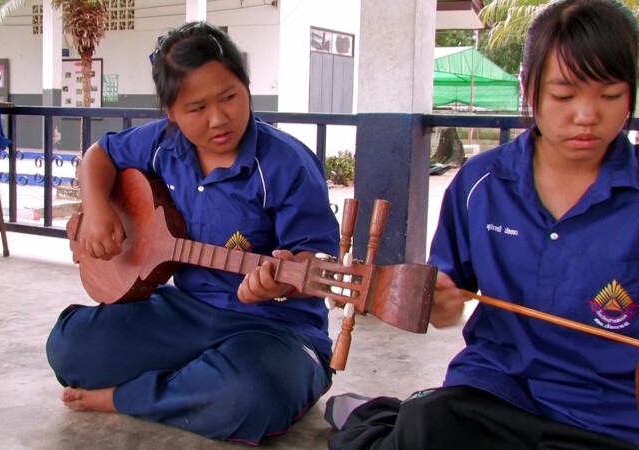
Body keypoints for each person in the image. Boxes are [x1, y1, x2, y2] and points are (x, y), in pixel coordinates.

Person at [325, 0, 639, 449]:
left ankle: (377, 415)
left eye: (609, 95)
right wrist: (440, 302)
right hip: (499, 389)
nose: (586, 115)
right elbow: (446, 285)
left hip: (607, 415)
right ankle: (384, 419)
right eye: (565, 95)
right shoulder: (481, 184)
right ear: (530, 90)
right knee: (427, 428)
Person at [45, 21, 339, 445]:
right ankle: (191, 386)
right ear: (171, 113)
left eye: (230, 97)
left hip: (276, 328)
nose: (219, 119)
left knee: (250, 393)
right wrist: (96, 209)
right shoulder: (165, 144)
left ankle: (128, 396)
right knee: (70, 347)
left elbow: (317, 263)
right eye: (197, 109)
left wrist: (283, 279)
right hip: (185, 310)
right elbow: (99, 155)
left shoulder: (286, 163)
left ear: (247, 87)